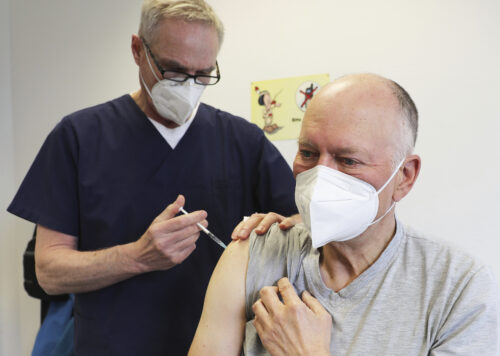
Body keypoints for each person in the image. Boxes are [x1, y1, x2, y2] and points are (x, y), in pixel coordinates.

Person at [7, 0, 299, 354]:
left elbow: (300, 228)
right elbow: (49, 273)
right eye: (174, 71)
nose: (189, 86)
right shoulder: (79, 137)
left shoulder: (242, 141)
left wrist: (280, 229)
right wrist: (138, 256)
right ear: (137, 50)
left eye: (203, 74)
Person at [188, 73, 500, 355]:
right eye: (308, 154)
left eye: (348, 160)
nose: (319, 177)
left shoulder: (458, 287)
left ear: (404, 176)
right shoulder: (253, 252)